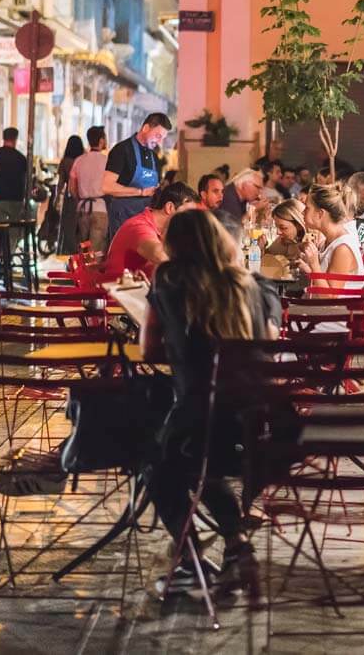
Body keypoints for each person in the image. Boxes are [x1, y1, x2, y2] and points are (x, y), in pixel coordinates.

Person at [142, 209, 279, 593]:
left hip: (197, 424)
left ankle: (188, 558)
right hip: (252, 431)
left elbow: (149, 350)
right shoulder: (253, 286)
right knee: (204, 465)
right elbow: (267, 346)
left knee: (156, 466)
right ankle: (236, 548)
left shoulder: (169, 280)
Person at [101, 182, 199, 281]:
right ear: (170, 208)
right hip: (118, 292)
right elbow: (159, 255)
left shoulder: (165, 230)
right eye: (187, 214)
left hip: (136, 290)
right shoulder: (139, 225)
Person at [102, 112, 172, 242]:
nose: (159, 142)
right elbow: (106, 186)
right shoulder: (122, 150)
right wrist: (140, 192)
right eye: (157, 136)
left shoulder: (154, 157)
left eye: (162, 138)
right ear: (145, 128)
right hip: (123, 217)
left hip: (146, 220)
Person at [297, 183, 364, 289]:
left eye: (307, 208)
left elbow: (330, 296)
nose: (302, 211)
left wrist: (314, 264)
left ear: (320, 214)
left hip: (336, 305)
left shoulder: (342, 248)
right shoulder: (329, 241)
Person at [69, 126, 109, 254]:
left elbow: (72, 189)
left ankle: (84, 272)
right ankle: (92, 273)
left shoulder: (79, 161)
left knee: (84, 249)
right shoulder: (107, 162)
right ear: (101, 141)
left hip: (82, 210)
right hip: (100, 209)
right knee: (96, 251)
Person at [0, 127, 29, 228]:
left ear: (3, 138)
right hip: (17, 199)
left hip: (1, 196)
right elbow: (25, 179)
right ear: (15, 139)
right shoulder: (22, 158)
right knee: (13, 230)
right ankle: (11, 244)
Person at [56, 135, 85, 255]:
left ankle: (69, 253)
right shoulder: (83, 160)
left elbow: (61, 182)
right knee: (81, 229)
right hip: (83, 196)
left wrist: (57, 197)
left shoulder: (65, 162)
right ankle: (80, 254)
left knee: (68, 227)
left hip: (69, 198)